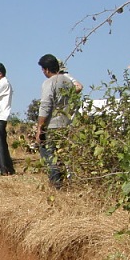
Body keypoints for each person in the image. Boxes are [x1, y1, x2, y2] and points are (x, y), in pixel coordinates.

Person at [36, 53, 77, 188]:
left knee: (50, 157)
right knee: (64, 156)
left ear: (46, 69)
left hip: (53, 125)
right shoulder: (68, 81)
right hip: (67, 123)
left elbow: (46, 106)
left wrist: (40, 128)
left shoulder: (49, 82)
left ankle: (56, 185)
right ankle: (67, 183)